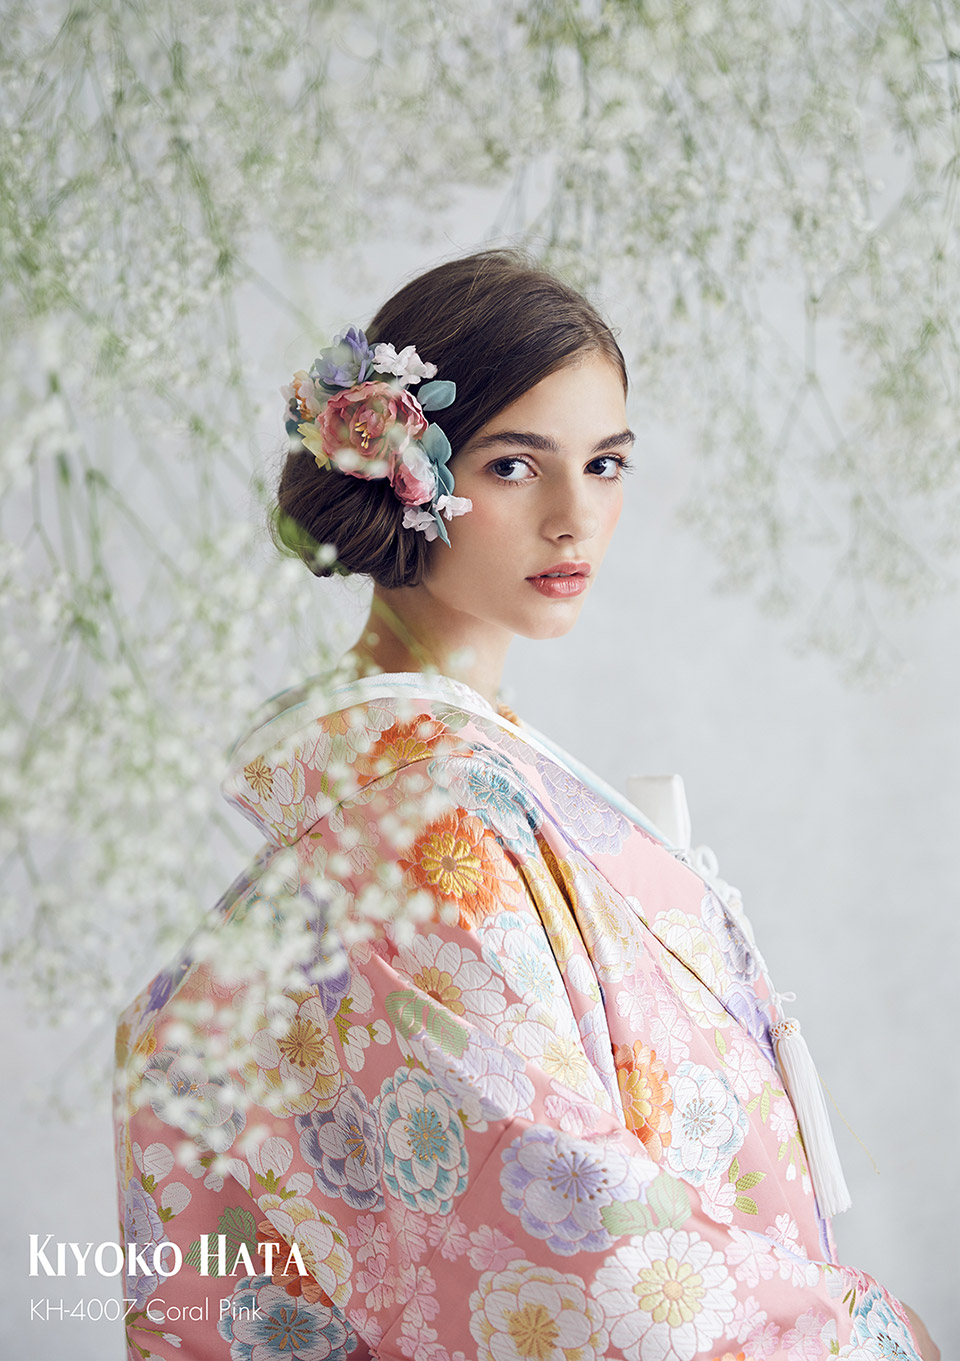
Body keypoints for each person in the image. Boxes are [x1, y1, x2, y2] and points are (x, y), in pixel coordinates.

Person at [114, 250, 939, 1360]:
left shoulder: (444, 772)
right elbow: (561, 1226)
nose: (575, 516)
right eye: (514, 465)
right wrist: (854, 1332)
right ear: (399, 472)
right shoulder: (422, 815)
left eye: (605, 464)